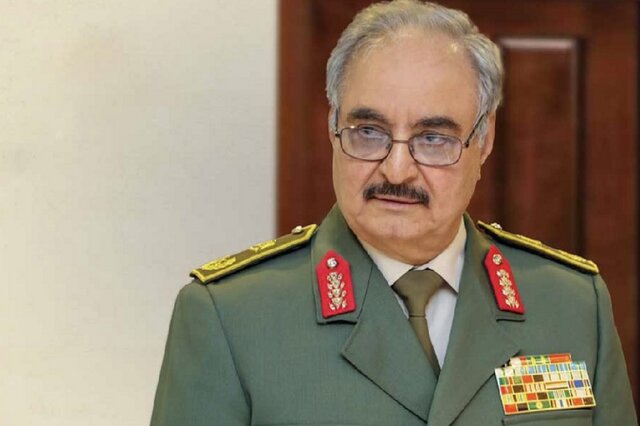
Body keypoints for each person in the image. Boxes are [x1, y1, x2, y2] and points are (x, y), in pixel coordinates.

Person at [151, 1, 637, 424]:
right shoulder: (230, 318)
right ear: (332, 127)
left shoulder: (572, 306)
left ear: (484, 141)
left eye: (433, 138)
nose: (397, 169)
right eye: (369, 132)